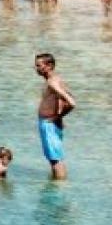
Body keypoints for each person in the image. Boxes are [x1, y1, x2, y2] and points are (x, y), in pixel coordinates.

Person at [35, 52, 75, 181]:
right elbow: (62, 100)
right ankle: (56, 184)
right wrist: (59, 117)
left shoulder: (53, 82)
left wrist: (57, 117)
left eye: (39, 65)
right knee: (53, 158)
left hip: (49, 124)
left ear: (49, 65)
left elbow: (71, 102)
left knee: (55, 159)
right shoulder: (55, 80)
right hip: (49, 124)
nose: (36, 68)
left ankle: (60, 186)